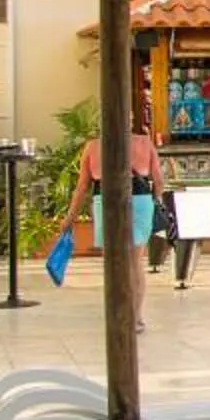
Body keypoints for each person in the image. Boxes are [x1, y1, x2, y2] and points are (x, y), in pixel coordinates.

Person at [62, 94, 165, 329]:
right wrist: (157, 200)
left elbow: (82, 186)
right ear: (128, 121)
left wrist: (70, 217)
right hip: (139, 200)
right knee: (135, 262)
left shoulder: (93, 147)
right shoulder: (144, 143)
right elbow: (158, 181)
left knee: (114, 262)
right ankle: (136, 317)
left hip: (106, 200)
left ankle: (118, 314)